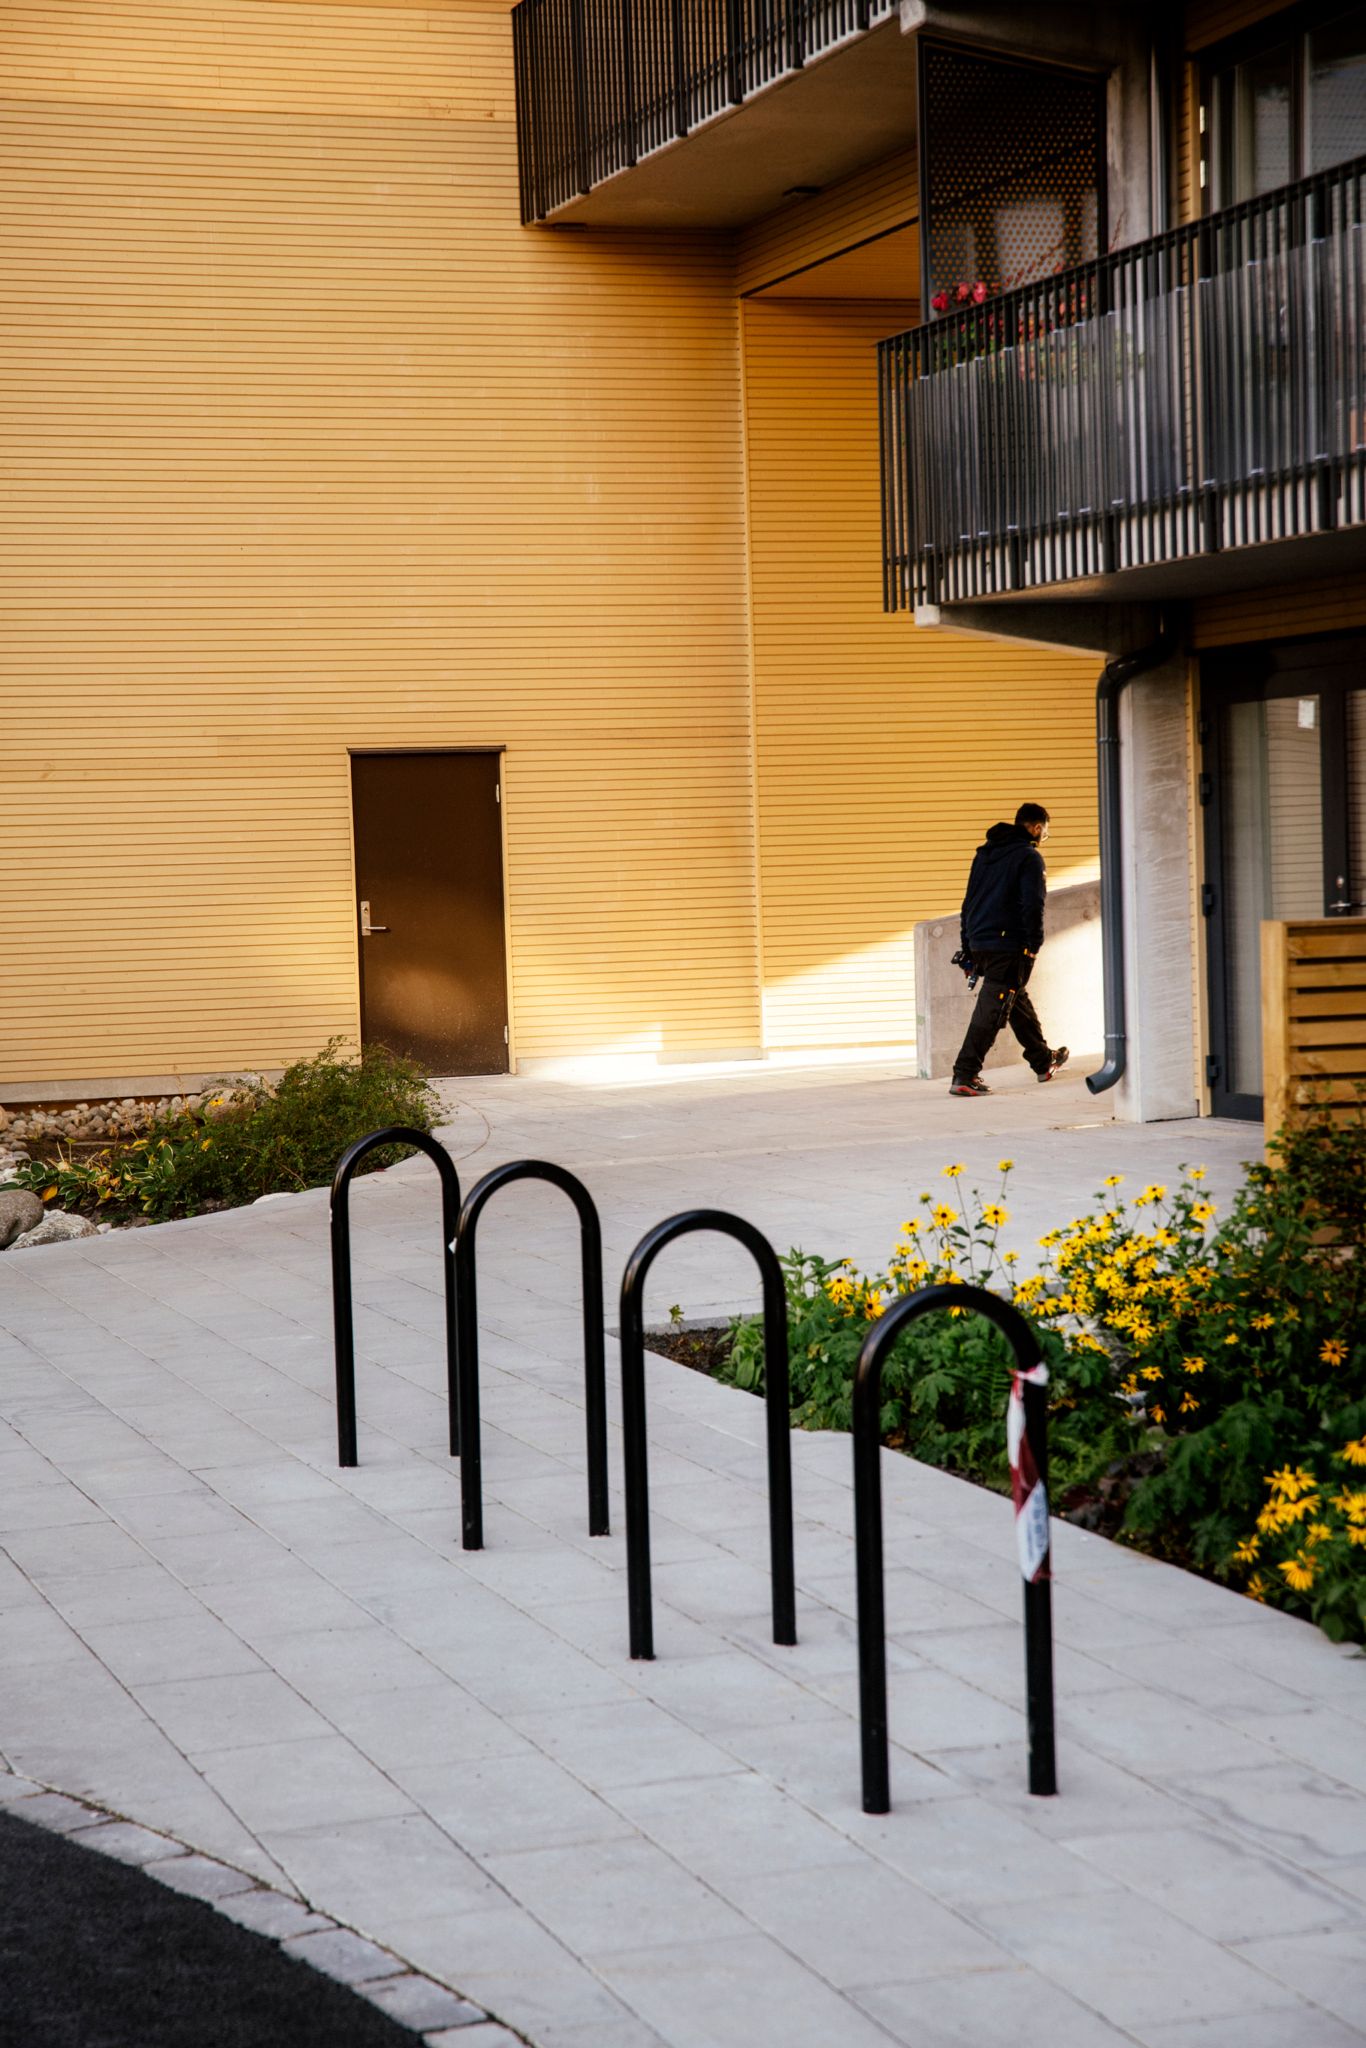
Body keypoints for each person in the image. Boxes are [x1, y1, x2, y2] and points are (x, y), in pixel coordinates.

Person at [949, 802, 1069, 1098]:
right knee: (993, 1009)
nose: (1044, 837)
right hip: (1008, 944)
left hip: (980, 941)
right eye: (1045, 831)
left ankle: (1043, 1061)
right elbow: (1033, 904)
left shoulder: (985, 854)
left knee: (1015, 998)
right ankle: (965, 1074)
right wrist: (1033, 945)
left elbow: (968, 902)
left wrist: (968, 944)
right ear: (1036, 828)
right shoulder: (1029, 857)